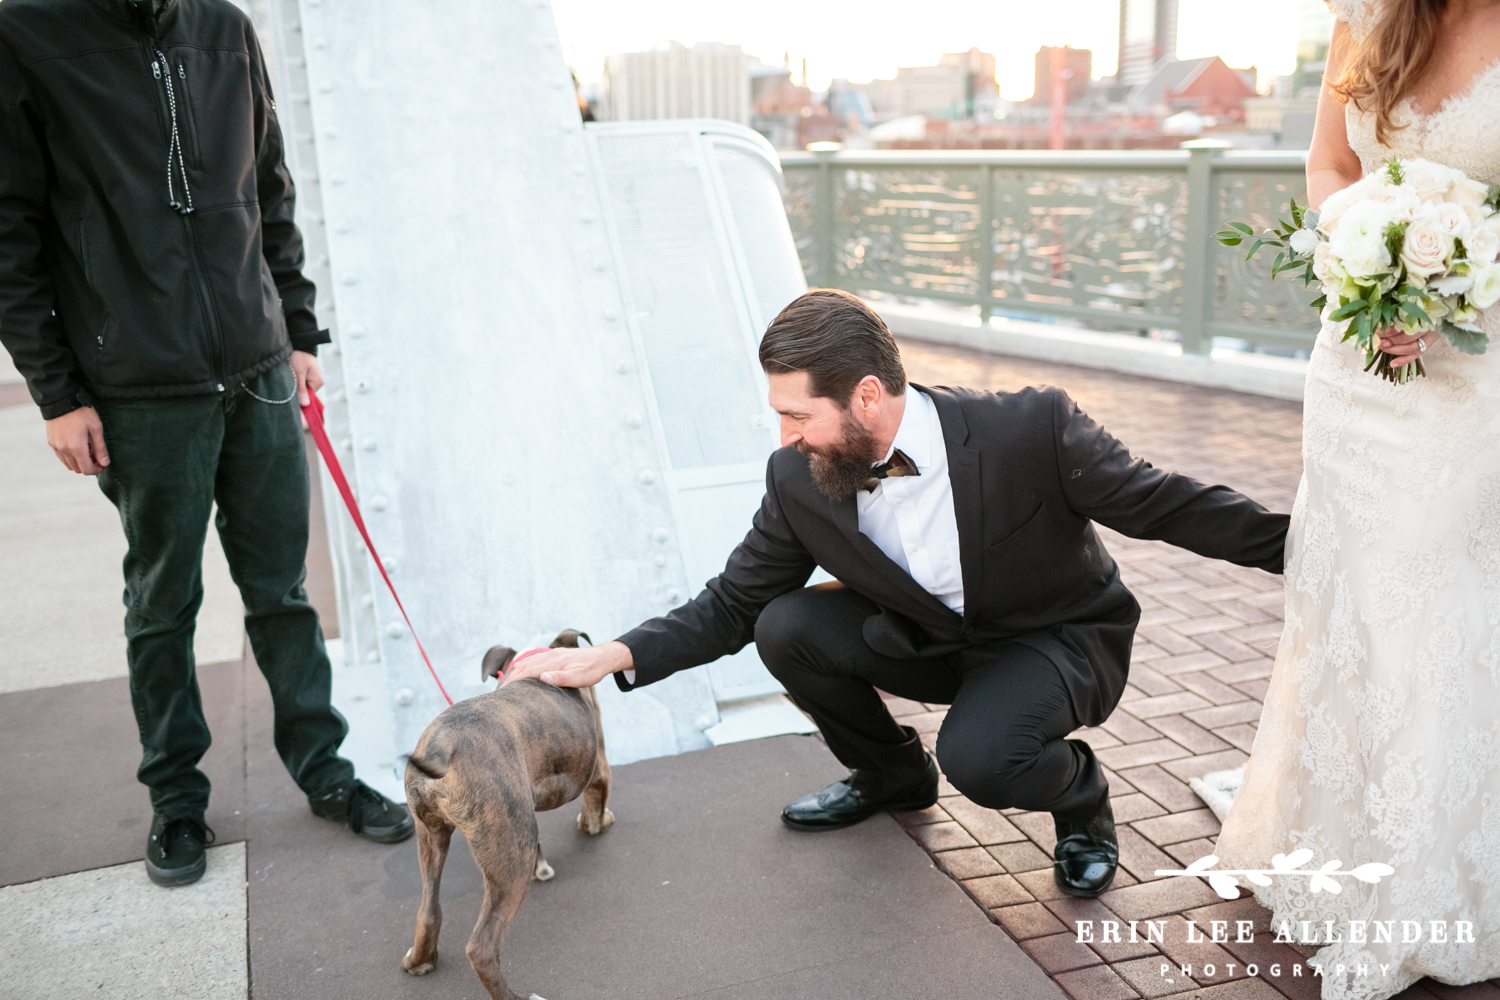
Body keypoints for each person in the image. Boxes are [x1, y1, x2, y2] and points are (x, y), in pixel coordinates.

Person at [506, 288, 1289, 899]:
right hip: (931, 643)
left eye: (797, 415)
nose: (785, 437)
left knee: (982, 761)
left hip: (1051, 640)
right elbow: (734, 603)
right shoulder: (798, 478)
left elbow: (1167, 505)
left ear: (868, 397)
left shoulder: (1032, 429)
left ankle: (1080, 796)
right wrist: (610, 656)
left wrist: (1311, 549)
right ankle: (892, 776)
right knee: (784, 624)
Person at [0, 0, 413, 888]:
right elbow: (10, 232)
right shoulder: (25, 30)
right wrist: (57, 394)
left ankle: (327, 774)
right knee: (163, 603)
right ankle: (176, 803)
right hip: (139, 388)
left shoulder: (223, 27)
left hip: (258, 367)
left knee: (282, 591)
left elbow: (269, 187)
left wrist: (298, 331)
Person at [1214, 2, 1500, 996]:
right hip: (1358, 355)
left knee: (1429, 592)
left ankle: (1428, 866)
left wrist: (1463, 289)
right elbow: (1331, 170)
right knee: (1348, 593)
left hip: (1479, 365)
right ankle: (1337, 838)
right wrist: (1368, 268)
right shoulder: (1368, 14)